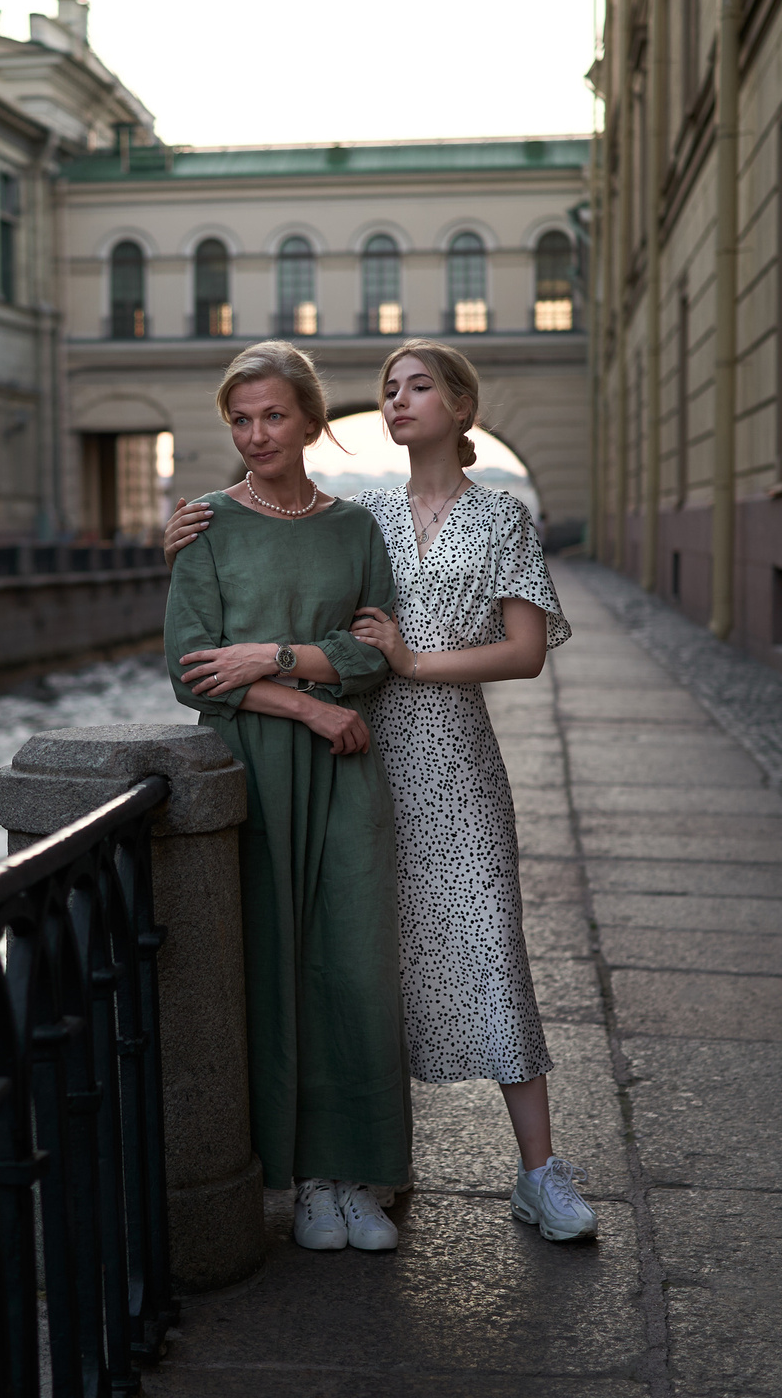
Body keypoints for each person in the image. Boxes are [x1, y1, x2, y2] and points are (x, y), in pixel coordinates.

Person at [163, 338, 596, 1243]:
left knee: (491, 957)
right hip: (346, 762)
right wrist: (184, 536)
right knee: (354, 971)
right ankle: (367, 1160)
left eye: (418, 387)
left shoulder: (500, 517)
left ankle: (540, 1173)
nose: (397, 401)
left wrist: (408, 659)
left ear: (462, 405)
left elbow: (521, 653)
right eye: (388, 389)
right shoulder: (365, 516)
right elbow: (266, 569)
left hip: (450, 763)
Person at [163, 341, 411, 1253]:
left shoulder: (355, 527)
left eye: (272, 416)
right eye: (240, 418)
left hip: (343, 771)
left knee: (352, 964)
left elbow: (374, 651)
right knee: (270, 963)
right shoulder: (207, 526)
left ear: (311, 420)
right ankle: (303, 1181)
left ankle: (355, 1173)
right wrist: (305, 700)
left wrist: (274, 658)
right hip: (253, 770)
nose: (256, 434)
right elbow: (192, 671)